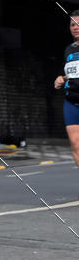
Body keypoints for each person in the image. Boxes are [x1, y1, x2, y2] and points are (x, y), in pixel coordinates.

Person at [54, 9, 79, 168]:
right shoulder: (68, 50)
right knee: (76, 146)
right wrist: (61, 79)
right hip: (71, 102)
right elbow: (70, 73)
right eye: (72, 24)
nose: (75, 27)